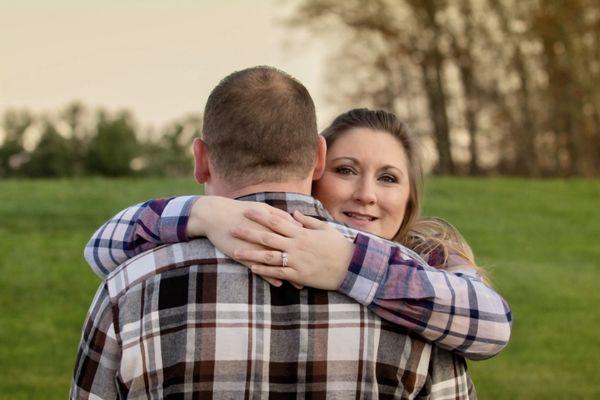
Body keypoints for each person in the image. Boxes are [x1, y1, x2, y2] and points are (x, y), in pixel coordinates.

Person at [70, 66, 505, 399]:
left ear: (201, 159)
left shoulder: (130, 287)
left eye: (388, 178)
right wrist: (202, 214)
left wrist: (345, 264)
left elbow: (493, 324)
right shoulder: (421, 312)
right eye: (346, 170)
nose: (366, 195)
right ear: (318, 159)